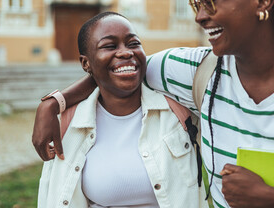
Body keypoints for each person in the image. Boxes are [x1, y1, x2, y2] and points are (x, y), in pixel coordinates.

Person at [33, 0, 274, 207]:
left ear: (262, 1)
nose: (200, 17)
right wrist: (53, 103)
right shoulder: (193, 71)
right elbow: (118, 71)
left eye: (209, 1)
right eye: (196, 3)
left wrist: (272, 198)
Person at [37, 12, 208, 208]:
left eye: (133, 43)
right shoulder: (71, 125)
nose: (126, 52)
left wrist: (52, 103)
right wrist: (52, 104)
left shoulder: (177, 110)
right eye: (109, 46)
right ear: (86, 63)